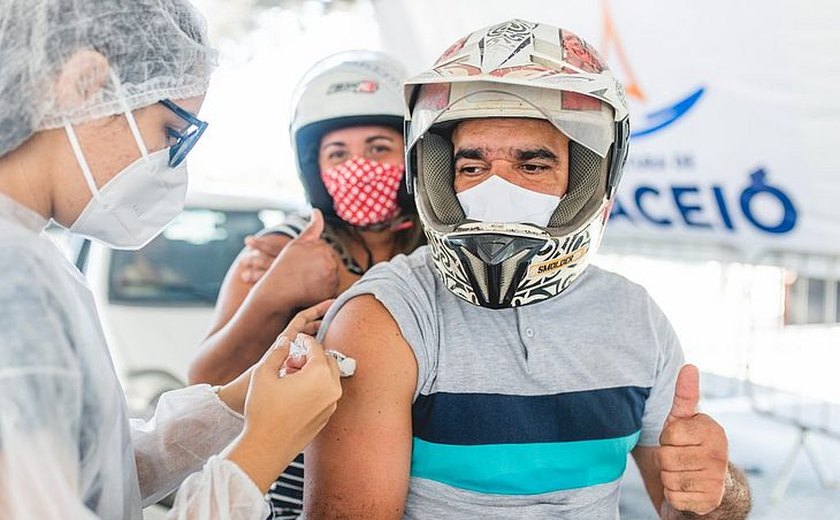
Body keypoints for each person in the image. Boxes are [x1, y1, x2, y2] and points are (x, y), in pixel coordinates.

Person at [303, 20, 752, 519]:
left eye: (532, 166)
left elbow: (685, 510)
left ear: (587, 176)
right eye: (471, 167)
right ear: (438, 178)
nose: (496, 189)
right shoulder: (384, 319)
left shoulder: (635, 318)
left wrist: (715, 490)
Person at [0, 2, 341, 518]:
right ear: (85, 84)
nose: (172, 166)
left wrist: (236, 402)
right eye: (171, 132)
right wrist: (263, 450)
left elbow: (98, 473)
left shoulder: (34, 258)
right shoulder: (13, 280)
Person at [187, 51, 424, 519]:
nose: (360, 166)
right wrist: (274, 294)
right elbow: (206, 383)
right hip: (297, 494)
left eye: (379, 147)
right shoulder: (279, 248)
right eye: (338, 154)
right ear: (313, 167)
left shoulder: (437, 247)